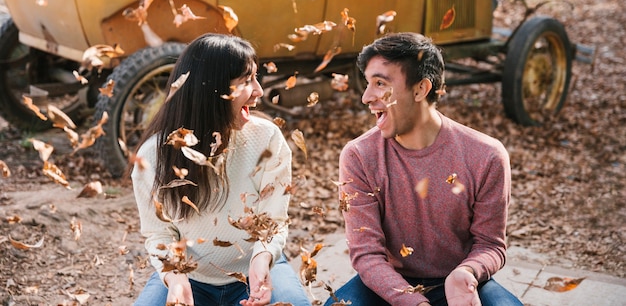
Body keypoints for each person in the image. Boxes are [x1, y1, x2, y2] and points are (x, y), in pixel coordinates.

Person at [325, 32, 522, 306]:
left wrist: (467, 272)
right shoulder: (359, 156)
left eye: (380, 83)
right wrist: (412, 301)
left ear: (420, 89)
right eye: (368, 84)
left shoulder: (486, 155)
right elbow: (367, 255)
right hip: (388, 284)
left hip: (461, 282)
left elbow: (490, 245)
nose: (366, 97)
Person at [131, 33, 310, 306]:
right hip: (189, 275)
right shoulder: (153, 156)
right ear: (212, 91)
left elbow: (272, 220)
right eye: (247, 81)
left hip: (254, 268)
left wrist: (262, 259)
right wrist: (176, 278)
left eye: (256, 77)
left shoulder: (268, 139)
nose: (259, 91)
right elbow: (159, 233)